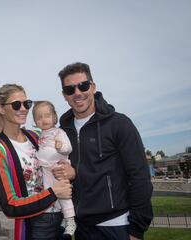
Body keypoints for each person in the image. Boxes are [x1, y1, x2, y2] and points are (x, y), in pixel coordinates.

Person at [55, 62, 153, 240]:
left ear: (93, 87)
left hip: (117, 225)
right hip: (82, 228)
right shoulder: (61, 133)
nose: (77, 93)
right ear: (64, 95)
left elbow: (140, 177)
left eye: (83, 86)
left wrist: (137, 229)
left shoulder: (119, 124)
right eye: (70, 90)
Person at [0, 84, 72, 240]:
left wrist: (69, 171)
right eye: (16, 104)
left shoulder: (36, 136)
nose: (24, 109)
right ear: (1, 108)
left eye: (27, 104)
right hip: (37, 223)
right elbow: (10, 206)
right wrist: (53, 193)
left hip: (62, 215)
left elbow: (60, 157)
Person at [32, 100, 76, 237]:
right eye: (39, 117)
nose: (43, 119)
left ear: (54, 117)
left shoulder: (58, 132)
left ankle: (70, 220)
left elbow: (69, 148)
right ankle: (63, 215)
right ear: (35, 121)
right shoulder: (41, 135)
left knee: (63, 194)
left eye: (47, 115)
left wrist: (60, 147)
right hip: (46, 169)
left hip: (58, 167)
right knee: (50, 193)